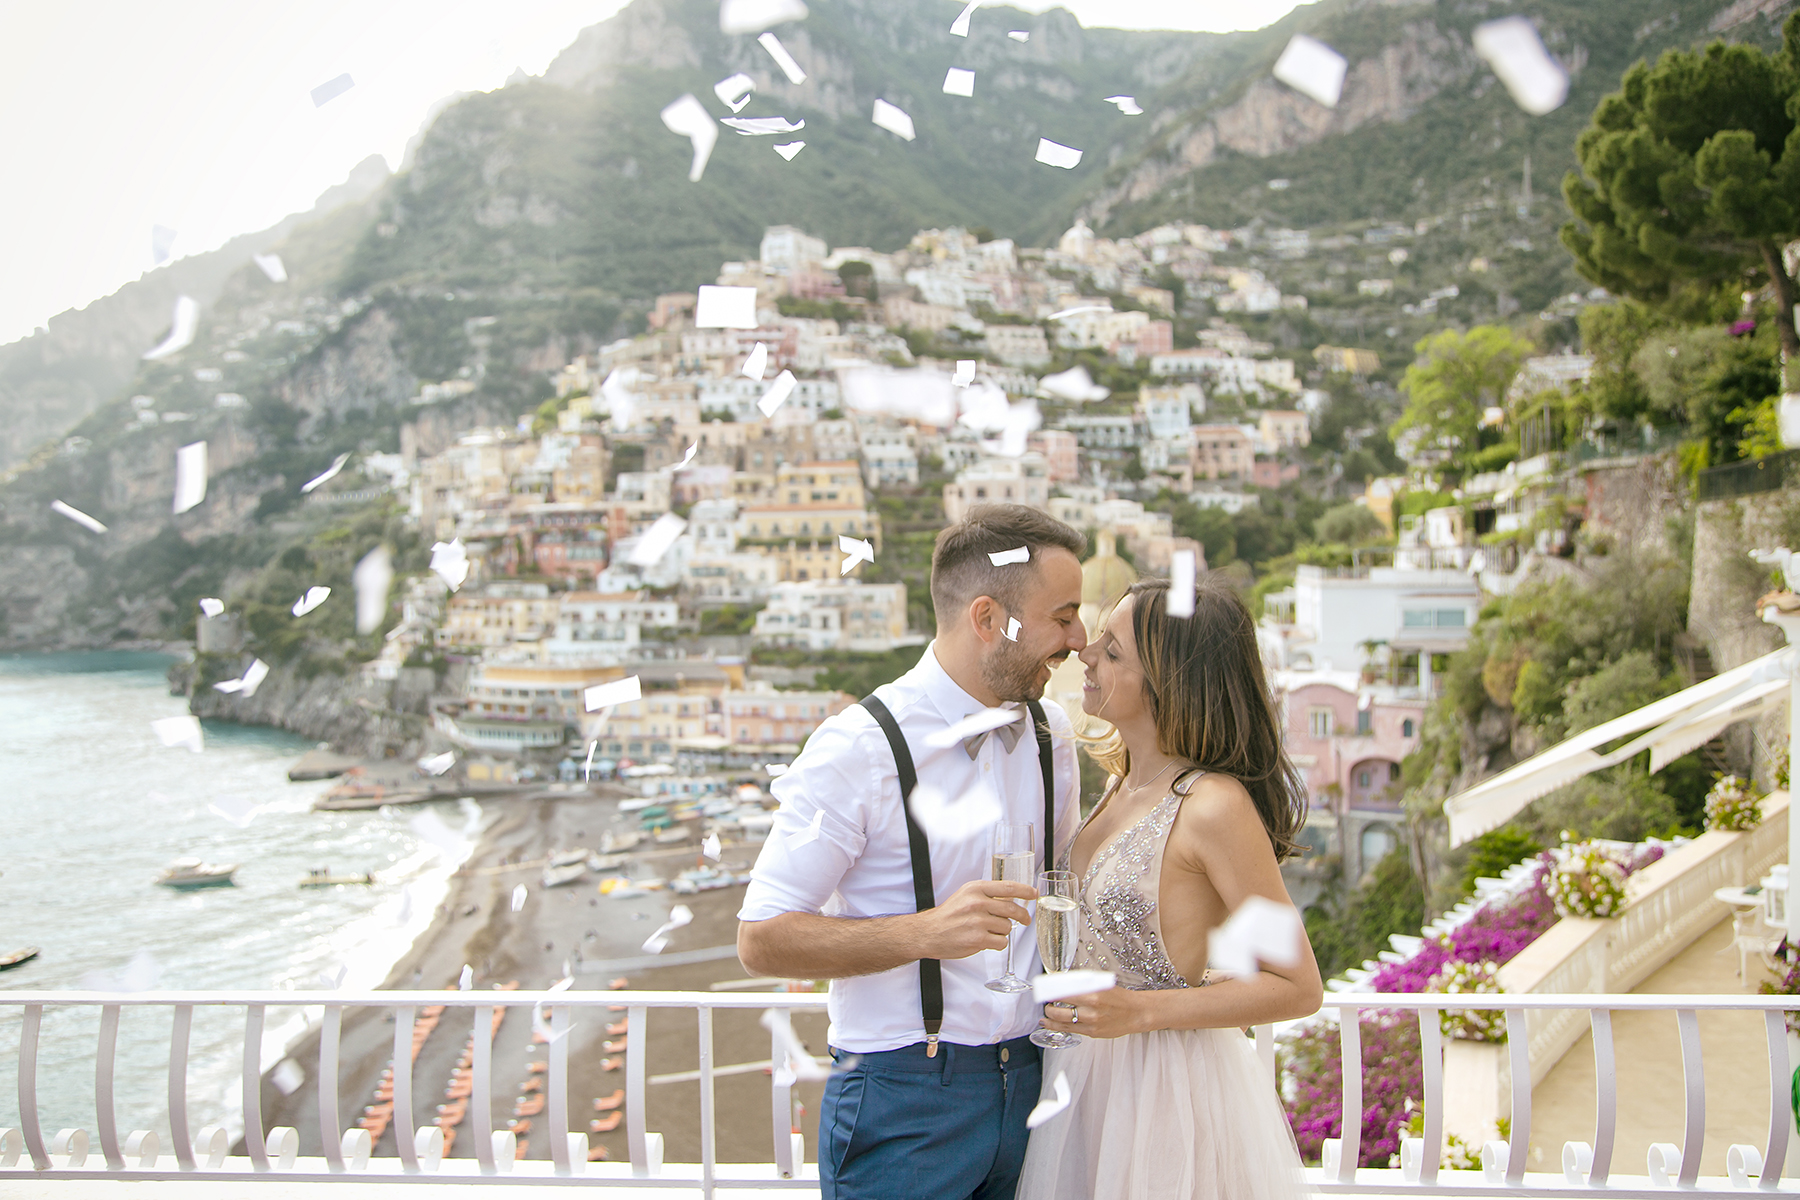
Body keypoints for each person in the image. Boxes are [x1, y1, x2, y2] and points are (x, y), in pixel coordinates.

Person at [737, 504, 1089, 1200]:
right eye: (1064, 615)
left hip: (1036, 1087)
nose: (1078, 638)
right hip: (902, 1100)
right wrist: (925, 934)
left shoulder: (1055, 735)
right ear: (989, 620)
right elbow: (762, 939)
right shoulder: (859, 747)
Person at [1017, 574, 1324, 1200]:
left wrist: (1141, 1011)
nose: (1086, 654)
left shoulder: (1214, 806)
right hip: (1082, 1074)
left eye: (1113, 649)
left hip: (1165, 1091)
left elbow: (1298, 986)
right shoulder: (1116, 785)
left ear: (1169, 681)